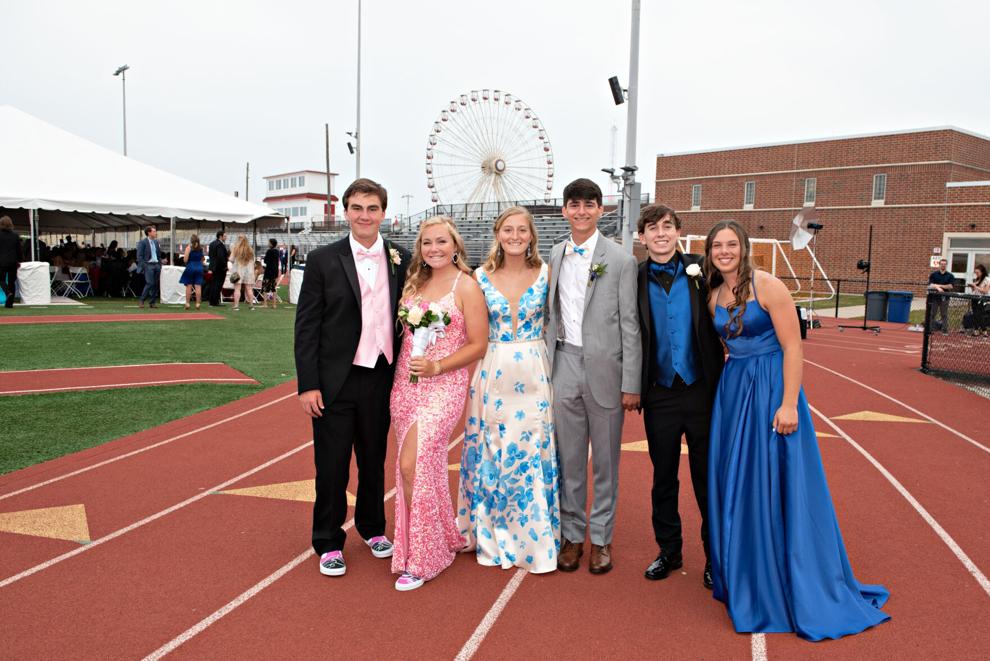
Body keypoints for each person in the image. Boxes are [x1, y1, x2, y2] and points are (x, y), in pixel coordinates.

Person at [704, 219, 890, 641]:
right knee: (740, 482)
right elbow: (726, 346)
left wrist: (788, 403)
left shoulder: (769, 286)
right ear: (710, 252)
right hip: (734, 394)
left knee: (777, 481)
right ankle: (748, 571)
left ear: (745, 247)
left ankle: (788, 581)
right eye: (718, 246)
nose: (724, 251)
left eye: (731, 244)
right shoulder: (713, 293)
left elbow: (793, 347)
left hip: (772, 388)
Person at [295, 178, 410, 578]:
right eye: (357, 208)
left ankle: (373, 528)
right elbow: (306, 326)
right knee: (332, 464)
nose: (365, 216)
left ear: (383, 213)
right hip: (334, 381)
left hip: (382, 377)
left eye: (372, 208)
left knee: (374, 460)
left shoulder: (402, 257)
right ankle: (328, 540)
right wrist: (308, 383)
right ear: (346, 212)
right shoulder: (324, 260)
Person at [456, 206, 560, 574]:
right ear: (497, 234)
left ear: (532, 235)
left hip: (534, 370)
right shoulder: (477, 278)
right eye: (508, 230)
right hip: (493, 371)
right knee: (491, 450)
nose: (515, 236)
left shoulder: (548, 274)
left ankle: (533, 538)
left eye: (522, 230)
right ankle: (488, 533)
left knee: (532, 450)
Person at [546, 178, 641, 574]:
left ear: (601, 210)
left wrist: (630, 383)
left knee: (605, 462)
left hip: (606, 371)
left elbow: (630, 324)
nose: (581, 211)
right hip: (563, 363)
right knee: (569, 460)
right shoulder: (554, 255)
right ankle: (572, 536)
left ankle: (601, 539)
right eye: (574, 204)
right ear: (565, 210)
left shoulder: (620, 260)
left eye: (589, 204)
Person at [390, 216, 487, 591]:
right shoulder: (415, 282)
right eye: (427, 242)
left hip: (444, 385)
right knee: (419, 468)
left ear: (455, 246)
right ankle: (443, 537)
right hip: (405, 384)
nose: (434, 248)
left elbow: (478, 343)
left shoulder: (467, 286)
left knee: (412, 463)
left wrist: (438, 366)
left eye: (442, 242)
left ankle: (425, 557)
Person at [635, 204, 725, 588]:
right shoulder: (633, 278)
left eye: (667, 226)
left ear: (678, 232)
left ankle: (714, 557)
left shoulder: (703, 271)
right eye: (652, 228)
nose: (660, 233)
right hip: (660, 394)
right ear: (642, 237)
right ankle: (669, 551)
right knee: (664, 479)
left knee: (707, 479)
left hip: (702, 390)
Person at [136, 226, 162, 308]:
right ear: (149, 233)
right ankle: (142, 300)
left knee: (155, 284)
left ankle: (152, 302)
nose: (155, 233)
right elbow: (139, 256)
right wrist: (144, 265)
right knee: (150, 283)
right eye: (154, 231)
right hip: (148, 265)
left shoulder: (156, 242)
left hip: (156, 264)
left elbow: (158, 254)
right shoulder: (143, 242)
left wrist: (159, 264)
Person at [179, 234, 206, 310]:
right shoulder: (201, 248)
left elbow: (185, 260)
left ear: (191, 240)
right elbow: (202, 259)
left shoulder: (189, 248)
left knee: (189, 286)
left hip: (190, 266)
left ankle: (187, 303)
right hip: (199, 267)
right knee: (198, 286)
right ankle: (197, 303)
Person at [0, 216, 22, 309]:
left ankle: (7, 292)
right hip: (13, 261)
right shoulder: (15, 235)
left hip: (1, 262)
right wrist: (19, 260)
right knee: (12, 282)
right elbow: (19, 250)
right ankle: (10, 304)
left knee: (1, 279)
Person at [229, 236, 256, 311]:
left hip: (238, 271)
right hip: (249, 271)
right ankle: (251, 305)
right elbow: (253, 261)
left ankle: (236, 306)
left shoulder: (236, 249)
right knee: (249, 289)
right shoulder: (250, 249)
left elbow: (231, 259)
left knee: (237, 289)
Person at [928, 258, 955, 333]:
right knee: (932, 314)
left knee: (944, 314)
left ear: (946, 265)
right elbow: (930, 284)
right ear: (939, 265)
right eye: (941, 264)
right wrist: (937, 287)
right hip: (934, 297)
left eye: (944, 264)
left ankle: (944, 329)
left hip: (945, 297)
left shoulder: (950, 276)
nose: (943, 265)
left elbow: (950, 286)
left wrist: (939, 286)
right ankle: (930, 329)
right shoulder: (934, 274)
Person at [967, 264, 989, 336]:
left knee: (980, 315)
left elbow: (985, 291)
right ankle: (976, 330)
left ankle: (984, 330)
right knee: (975, 315)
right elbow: (975, 290)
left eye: (977, 273)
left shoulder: (987, 279)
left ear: (982, 272)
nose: (976, 274)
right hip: (975, 298)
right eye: (975, 273)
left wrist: (975, 286)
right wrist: (972, 287)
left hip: (982, 299)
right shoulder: (977, 279)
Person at [207, 230, 229, 306]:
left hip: (213, 267)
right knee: (218, 285)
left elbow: (210, 255)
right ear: (220, 236)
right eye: (225, 236)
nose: (226, 237)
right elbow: (221, 257)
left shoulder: (212, 244)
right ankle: (215, 301)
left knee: (213, 284)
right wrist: (225, 266)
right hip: (220, 268)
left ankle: (212, 301)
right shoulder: (220, 245)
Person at [262, 238, 280, 309]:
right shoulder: (277, 252)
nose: (268, 243)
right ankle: (274, 304)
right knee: (273, 288)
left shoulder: (269, 251)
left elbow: (265, 261)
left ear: (271, 244)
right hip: (275, 271)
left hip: (268, 271)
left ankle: (265, 304)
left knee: (265, 287)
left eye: (269, 242)